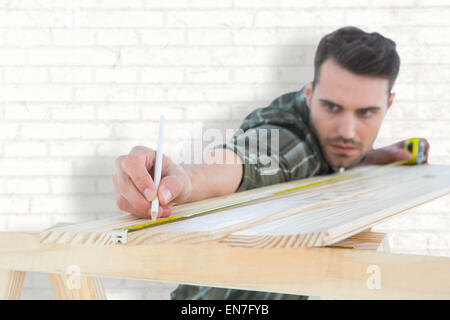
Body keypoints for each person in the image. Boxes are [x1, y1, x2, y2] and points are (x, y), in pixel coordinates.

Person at [112, 26, 430, 300]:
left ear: (389, 104)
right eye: (332, 107)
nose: (347, 132)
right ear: (310, 94)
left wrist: (376, 155)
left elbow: (337, 155)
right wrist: (187, 180)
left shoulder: (336, 139)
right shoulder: (288, 139)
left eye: (366, 113)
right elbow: (248, 158)